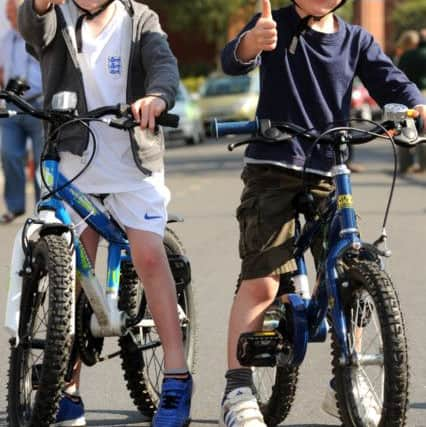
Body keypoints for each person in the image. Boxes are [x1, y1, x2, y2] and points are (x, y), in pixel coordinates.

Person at [218, 1, 426, 426]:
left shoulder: (356, 40)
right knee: (261, 281)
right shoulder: (275, 25)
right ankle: (238, 389)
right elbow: (234, 59)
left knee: (354, 270)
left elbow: (393, 83)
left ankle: (344, 384)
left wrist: (415, 106)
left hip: (329, 170)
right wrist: (250, 44)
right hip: (272, 167)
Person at [18, 0, 192, 426]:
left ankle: (176, 374)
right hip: (75, 162)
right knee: (72, 272)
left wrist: (157, 96)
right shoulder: (58, 15)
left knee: (149, 255)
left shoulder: (139, 19)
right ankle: (67, 387)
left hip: (132, 162)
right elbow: (32, 27)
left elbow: (163, 64)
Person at [0, 0, 43, 224]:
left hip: (40, 103)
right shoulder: (5, 40)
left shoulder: (39, 34)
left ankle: (42, 210)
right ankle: (15, 206)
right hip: (12, 104)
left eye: (10, 11)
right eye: (6, 11)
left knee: (41, 159)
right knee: (8, 154)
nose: (7, 15)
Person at [398, 29, 426, 174]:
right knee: (423, 131)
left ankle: (405, 165)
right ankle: (423, 165)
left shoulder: (407, 55)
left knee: (406, 129)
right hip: (423, 94)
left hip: (407, 95)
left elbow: (397, 73)